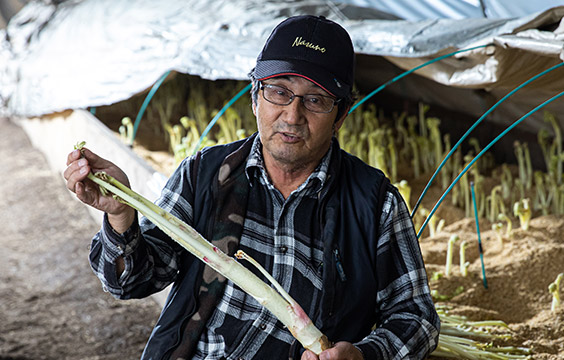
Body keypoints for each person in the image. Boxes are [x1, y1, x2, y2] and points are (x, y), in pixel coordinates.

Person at [65, 15, 440, 360]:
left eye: (315, 100)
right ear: (255, 97)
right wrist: (121, 215)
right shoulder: (205, 173)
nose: (292, 116)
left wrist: (365, 355)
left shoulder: (375, 204)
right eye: (279, 91)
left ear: (340, 115)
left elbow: (417, 317)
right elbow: (132, 282)